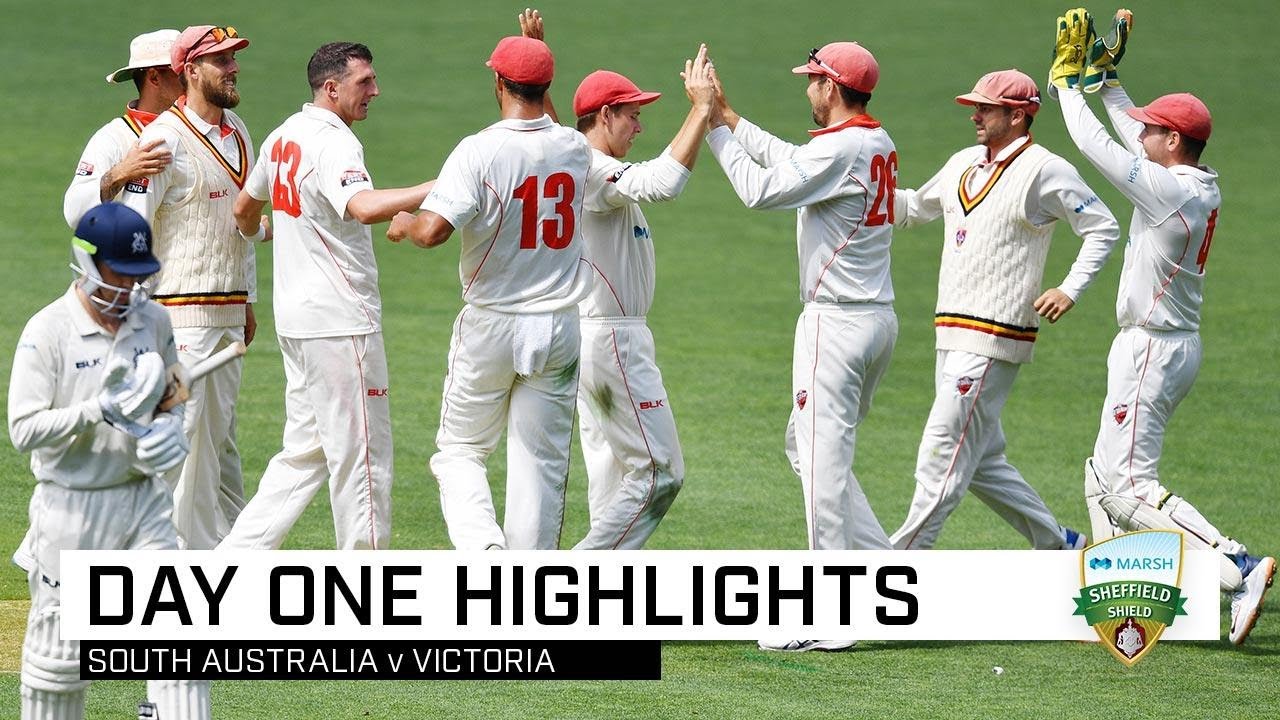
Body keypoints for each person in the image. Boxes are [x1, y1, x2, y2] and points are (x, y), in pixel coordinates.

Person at [1048, 7, 1274, 645]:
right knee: (1102, 474)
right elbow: (1128, 133)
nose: (1140, 133)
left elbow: (1097, 146)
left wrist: (1067, 87)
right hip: (1163, 345)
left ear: (1172, 141)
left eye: (1152, 129)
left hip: (1153, 349)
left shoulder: (1168, 191)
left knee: (1125, 490)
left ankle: (1238, 565)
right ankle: (1126, 596)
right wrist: (1107, 81)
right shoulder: (1192, 181)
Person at [704, 42, 899, 652]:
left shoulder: (838, 148)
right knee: (810, 448)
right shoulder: (876, 141)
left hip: (834, 327)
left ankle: (829, 620)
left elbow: (762, 190)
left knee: (820, 464)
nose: (806, 90)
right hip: (876, 321)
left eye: (813, 81)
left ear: (832, 88)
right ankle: (885, 566)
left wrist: (712, 131)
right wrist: (731, 118)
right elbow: (795, 158)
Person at [889, 68, 1120, 553]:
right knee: (981, 461)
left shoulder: (1044, 169)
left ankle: (891, 566)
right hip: (949, 333)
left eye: (985, 108)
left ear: (1017, 116)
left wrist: (1070, 288)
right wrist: (855, 186)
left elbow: (1102, 226)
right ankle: (1059, 545)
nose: (974, 115)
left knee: (942, 455)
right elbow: (912, 209)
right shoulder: (963, 163)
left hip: (994, 338)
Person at [220, 42, 433, 550]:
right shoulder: (335, 143)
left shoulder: (283, 135)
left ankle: (229, 563)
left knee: (304, 453)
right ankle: (368, 594)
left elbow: (243, 211)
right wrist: (440, 184)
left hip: (297, 321)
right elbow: (362, 207)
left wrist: (274, 232)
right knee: (364, 460)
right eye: (365, 82)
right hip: (341, 322)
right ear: (331, 88)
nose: (375, 91)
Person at [386, 34, 592, 550]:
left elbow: (434, 232)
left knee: (459, 451)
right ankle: (530, 597)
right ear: (545, 86)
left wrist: (406, 222)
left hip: (493, 324)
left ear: (498, 82)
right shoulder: (574, 147)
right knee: (540, 464)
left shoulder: (478, 149)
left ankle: (484, 554)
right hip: (561, 327)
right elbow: (552, 130)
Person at [8, 202, 207, 720]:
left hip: (144, 501)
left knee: (177, 645)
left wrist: (169, 432)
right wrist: (97, 410)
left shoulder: (153, 319)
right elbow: (22, 429)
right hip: (73, 508)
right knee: (59, 666)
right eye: (121, 275)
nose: (130, 290)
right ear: (89, 264)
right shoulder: (48, 331)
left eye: (140, 276)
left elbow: (175, 390)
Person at [551, 37, 714, 547]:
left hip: (595, 341)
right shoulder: (596, 172)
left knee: (614, 482)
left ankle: (606, 618)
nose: (640, 126)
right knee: (660, 472)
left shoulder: (575, 160)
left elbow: (561, 136)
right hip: (613, 343)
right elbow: (663, 181)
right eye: (632, 115)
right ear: (603, 115)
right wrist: (703, 110)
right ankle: (569, 582)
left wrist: (540, 74)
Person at [122, 24, 257, 550]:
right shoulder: (163, 139)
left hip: (226, 319)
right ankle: (177, 567)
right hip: (178, 321)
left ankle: (196, 557)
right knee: (183, 444)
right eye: (220, 60)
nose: (232, 68)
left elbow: (237, 226)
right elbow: (133, 230)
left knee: (213, 444)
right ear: (190, 70)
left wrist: (248, 296)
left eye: (233, 58)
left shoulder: (240, 129)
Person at [63, 29, 184, 228]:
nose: (193, 78)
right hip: (141, 258)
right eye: (180, 71)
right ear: (154, 77)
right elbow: (74, 213)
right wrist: (121, 173)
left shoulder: (206, 127)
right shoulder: (113, 137)